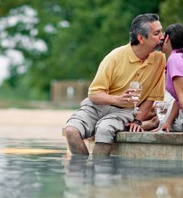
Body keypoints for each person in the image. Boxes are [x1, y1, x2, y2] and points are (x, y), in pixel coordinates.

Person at [65, 13, 166, 156]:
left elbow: (152, 97)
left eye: (161, 31)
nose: (162, 36)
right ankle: (84, 173)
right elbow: (93, 94)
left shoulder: (159, 59)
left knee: (104, 130)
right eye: (157, 33)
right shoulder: (115, 57)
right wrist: (117, 99)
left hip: (125, 111)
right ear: (141, 38)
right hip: (97, 106)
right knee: (71, 131)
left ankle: (100, 174)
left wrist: (137, 121)